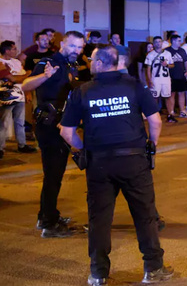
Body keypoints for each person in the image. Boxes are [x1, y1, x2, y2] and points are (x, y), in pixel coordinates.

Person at [59, 45, 174, 285]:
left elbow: (67, 132)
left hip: (99, 163)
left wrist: (83, 149)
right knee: (144, 215)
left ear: (100, 63)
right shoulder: (134, 86)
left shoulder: (82, 91)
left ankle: (98, 273)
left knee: (99, 219)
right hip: (134, 160)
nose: (88, 62)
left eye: (91, 59)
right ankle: (153, 268)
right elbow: (155, 120)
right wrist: (151, 145)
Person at [21, 31, 86, 237]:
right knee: (53, 174)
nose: (77, 50)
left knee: (55, 174)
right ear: (62, 45)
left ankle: (47, 215)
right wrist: (44, 76)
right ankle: (49, 224)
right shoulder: (49, 62)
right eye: (74, 46)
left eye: (80, 47)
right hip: (48, 125)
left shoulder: (69, 65)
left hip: (60, 123)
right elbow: (25, 85)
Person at [0, 40, 35, 155]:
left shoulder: (16, 62)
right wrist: (27, 74)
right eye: (14, 49)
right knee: (3, 122)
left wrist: (27, 92)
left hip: (19, 95)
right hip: (6, 97)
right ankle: (0, 147)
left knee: (20, 121)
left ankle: (22, 144)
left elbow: (22, 79)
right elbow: (14, 79)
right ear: (7, 50)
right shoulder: (0, 63)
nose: (16, 51)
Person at [144, 37, 173, 118]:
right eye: (156, 42)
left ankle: (170, 114)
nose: (158, 43)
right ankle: (154, 114)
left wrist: (166, 65)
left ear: (162, 43)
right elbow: (148, 69)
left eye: (159, 41)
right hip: (155, 79)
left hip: (166, 78)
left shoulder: (168, 53)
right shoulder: (150, 55)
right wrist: (149, 80)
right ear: (153, 43)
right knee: (154, 97)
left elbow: (172, 65)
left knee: (167, 96)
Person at [165, 35, 187, 121]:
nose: (180, 42)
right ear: (173, 41)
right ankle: (171, 112)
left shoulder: (182, 50)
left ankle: (182, 111)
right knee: (171, 94)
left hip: (181, 76)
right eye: (178, 40)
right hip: (170, 76)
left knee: (181, 93)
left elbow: (186, 61)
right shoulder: (167, 51)